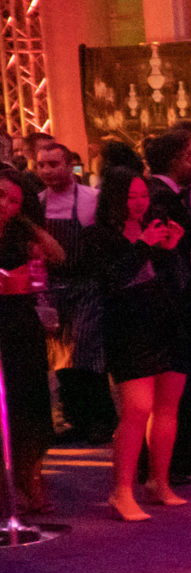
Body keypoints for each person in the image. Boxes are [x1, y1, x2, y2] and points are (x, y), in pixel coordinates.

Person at [85, 169, 190, 521]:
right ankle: (122, 490)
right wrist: (145, 243)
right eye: (131, 196)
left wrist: (170, 248)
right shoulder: (99, 236)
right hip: (129, 328)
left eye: (143, 195)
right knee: (136, 408)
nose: (139, 203)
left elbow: (175, 280)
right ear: (113, 198)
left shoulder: (153, 228)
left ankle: (159, 481)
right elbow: (113, 281)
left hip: (167, 322)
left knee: (168, 408)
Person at [142, 128, 191, 479]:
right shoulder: (161, 198)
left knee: (188, 383)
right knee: (173, 386)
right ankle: (168, 460)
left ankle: (182, 451)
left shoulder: (181, 194)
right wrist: (181, 298)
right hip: (173, 303)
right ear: (175, 160)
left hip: (186, 297)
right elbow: (167, 256)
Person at [34, 141, 112, 445]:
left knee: (86, 351)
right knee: (60, 355)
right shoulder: (37, 203)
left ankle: (102, 420)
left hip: (86, 283)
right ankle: (76, 420)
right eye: (41, 165)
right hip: (53, 287)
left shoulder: (92, 199)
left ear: (70, 166)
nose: (47, 171)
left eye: (54, 164)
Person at [0, 169, 60, 513]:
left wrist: (25, 220)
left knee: (31, 404)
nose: (5, 204)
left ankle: (30, 476)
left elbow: (57, 254)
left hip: (20, 323)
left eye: (14, 200)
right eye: (2, 196)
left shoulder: (20, 231)